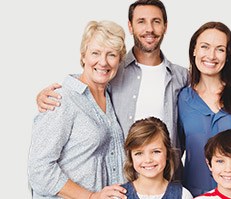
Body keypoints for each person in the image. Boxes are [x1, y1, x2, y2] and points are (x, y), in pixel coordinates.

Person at [35, 0, 188, 179]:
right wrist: (47, 95)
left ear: (165, 26)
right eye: (141, 21)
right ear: (130, 27)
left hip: (167, 180)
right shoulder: (113, 70)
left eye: (156, 21)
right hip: (122, 182)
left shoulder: (182, 76)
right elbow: (85, 86)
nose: (149, 29)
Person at [28, 20, 127, 199]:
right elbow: (39, 169)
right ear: (83, 56)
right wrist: (90, 196)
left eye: (111, 54)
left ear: (120, 60)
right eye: (95, 53)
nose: (103, 62)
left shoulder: (112, 96)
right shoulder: (61, 99)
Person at [178, 21, 231, 197]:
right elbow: (176, 149)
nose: (211, 56)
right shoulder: (182, 98)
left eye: (220, 49)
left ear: (228, 55)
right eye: (205, 47)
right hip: (195, 193)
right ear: (194, 50)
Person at [120, 117, 193, 199]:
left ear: (167, 153)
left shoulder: (183, 195)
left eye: (156, 151)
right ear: (131, 157)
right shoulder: (118, 195)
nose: (148, 160)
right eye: (139, 153)